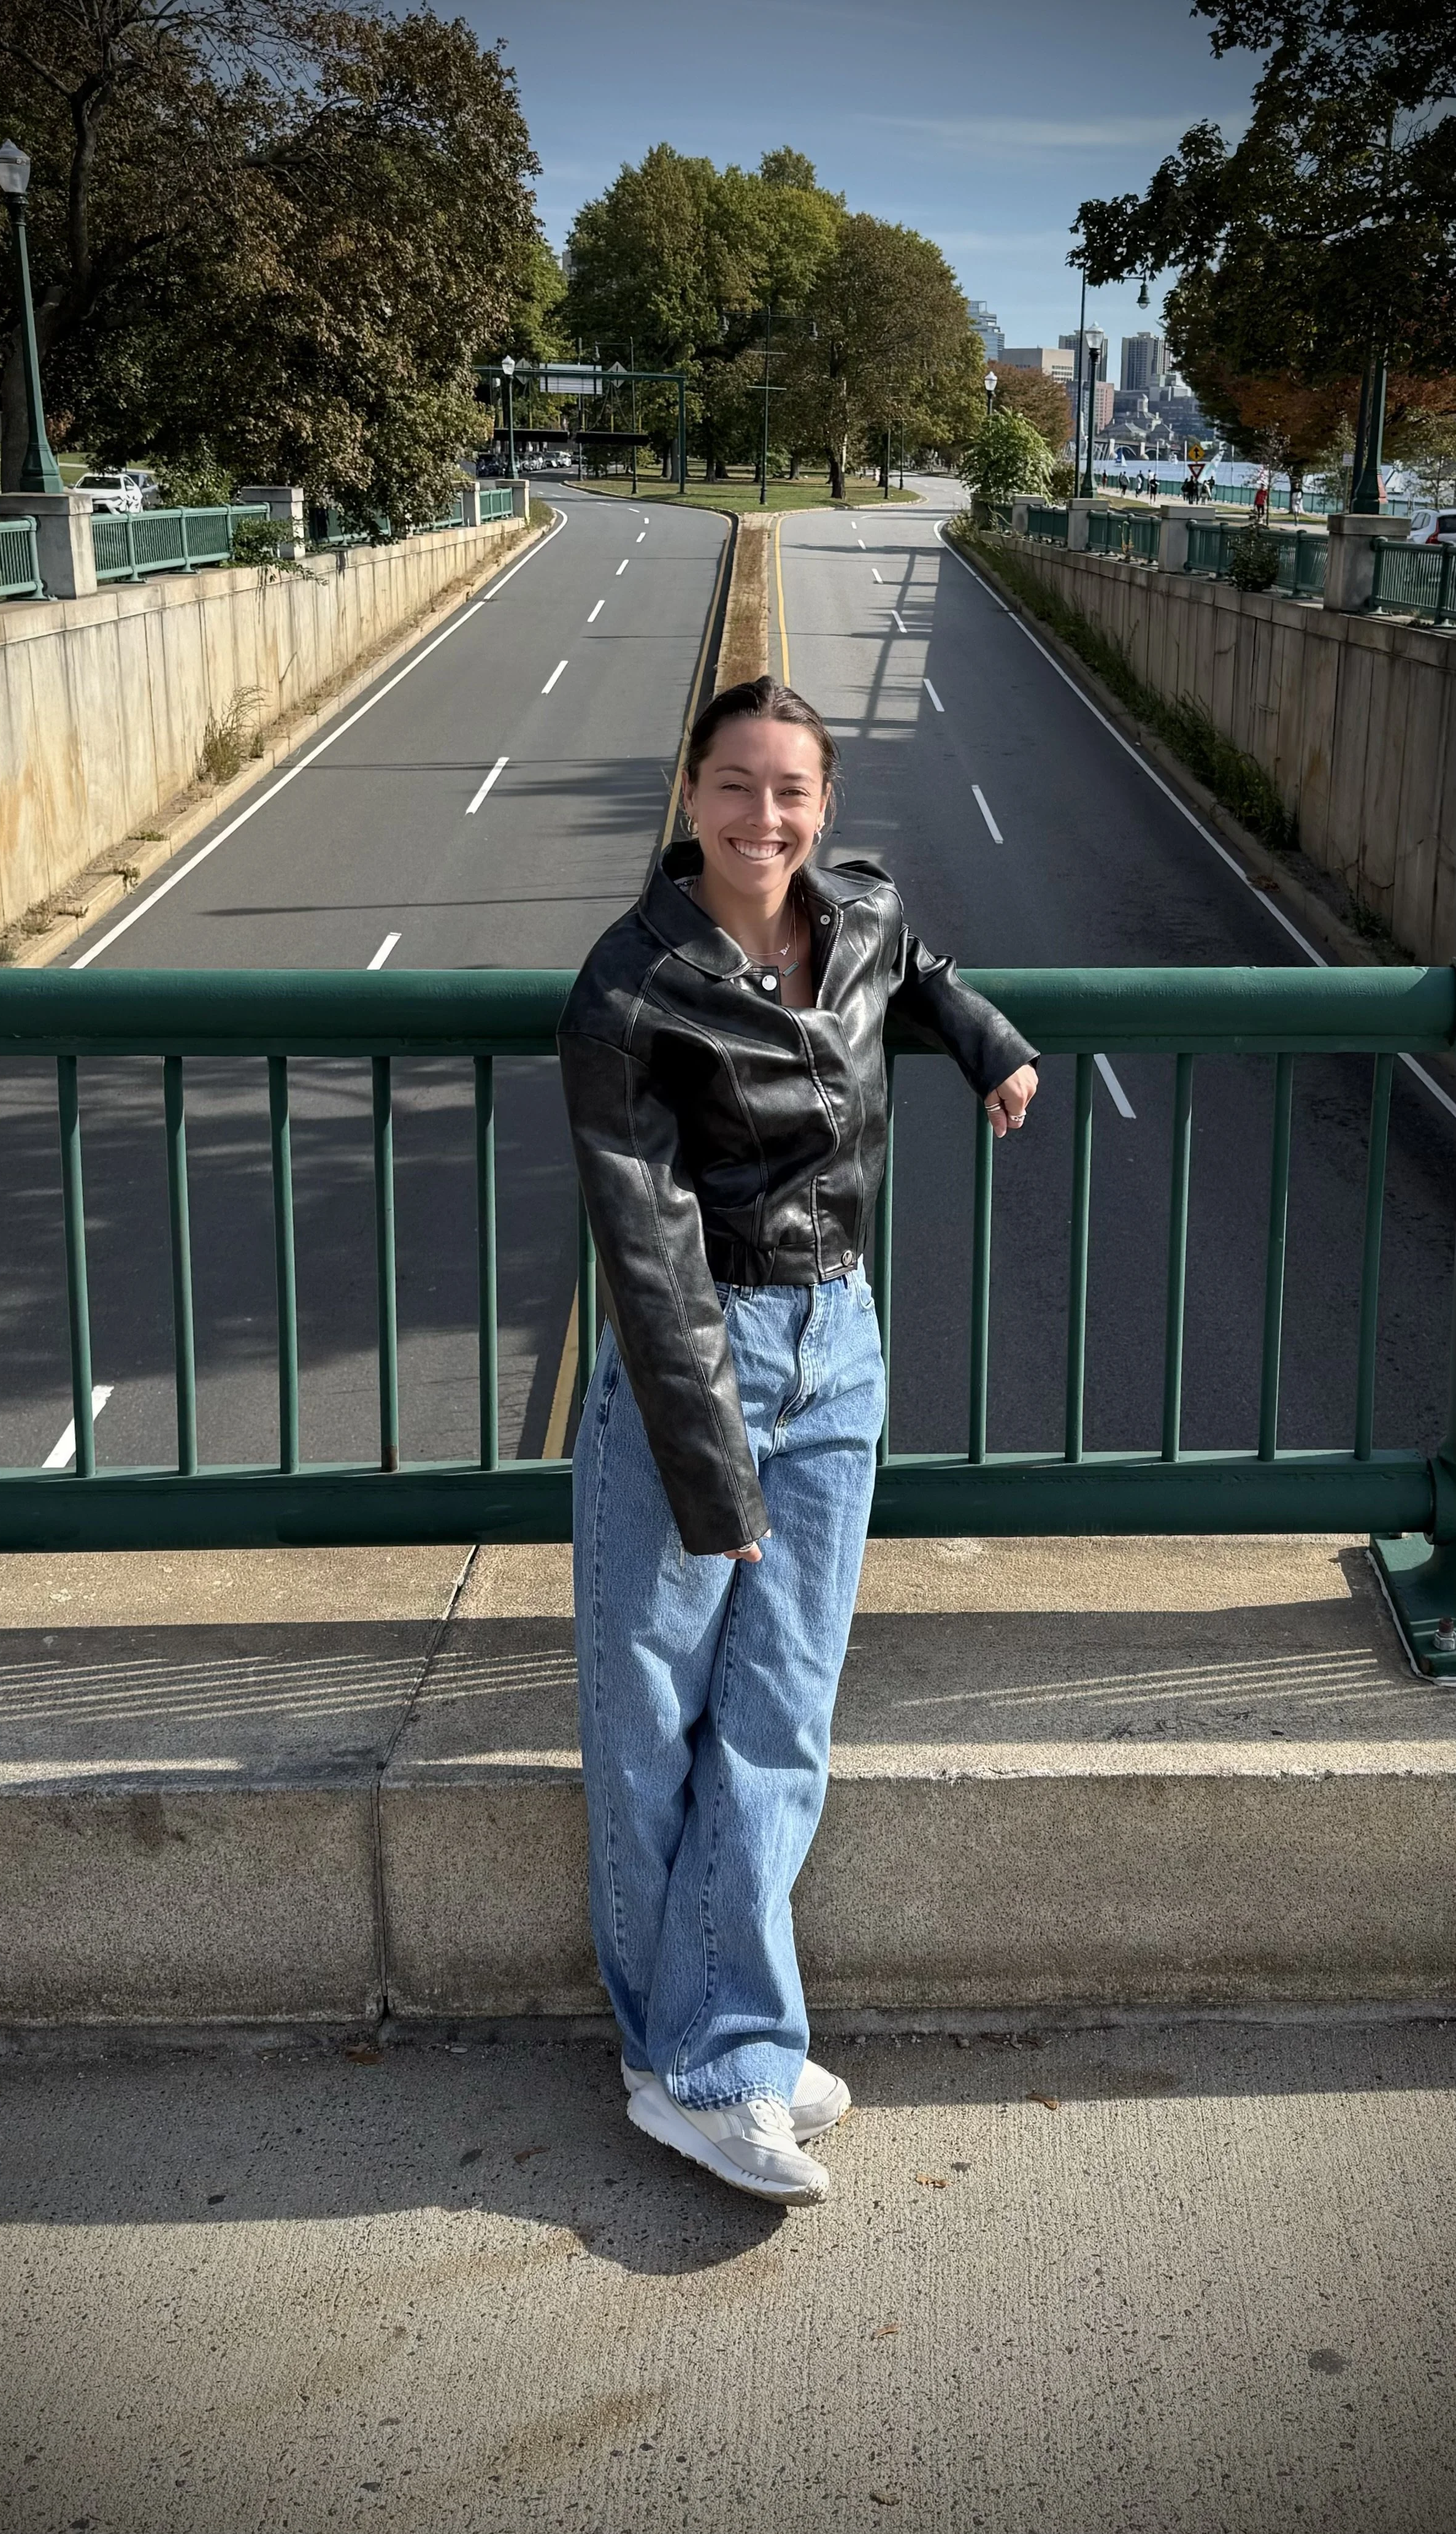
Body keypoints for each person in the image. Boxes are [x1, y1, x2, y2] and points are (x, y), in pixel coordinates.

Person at [557, 677, 1038, 2209]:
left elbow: (915, 965)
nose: (760, 816)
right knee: (651, 1722)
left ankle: (721, 2045)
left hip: (841, 1347)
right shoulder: (631, 986)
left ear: (823, 806)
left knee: (780, 1718)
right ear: (688, 791)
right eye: (734, 784)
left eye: (789, 790)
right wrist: (714, 1477)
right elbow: (645, 1257)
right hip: (695, 1357)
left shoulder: (860, 914)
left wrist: (982, 1038)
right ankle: (694, 2057)